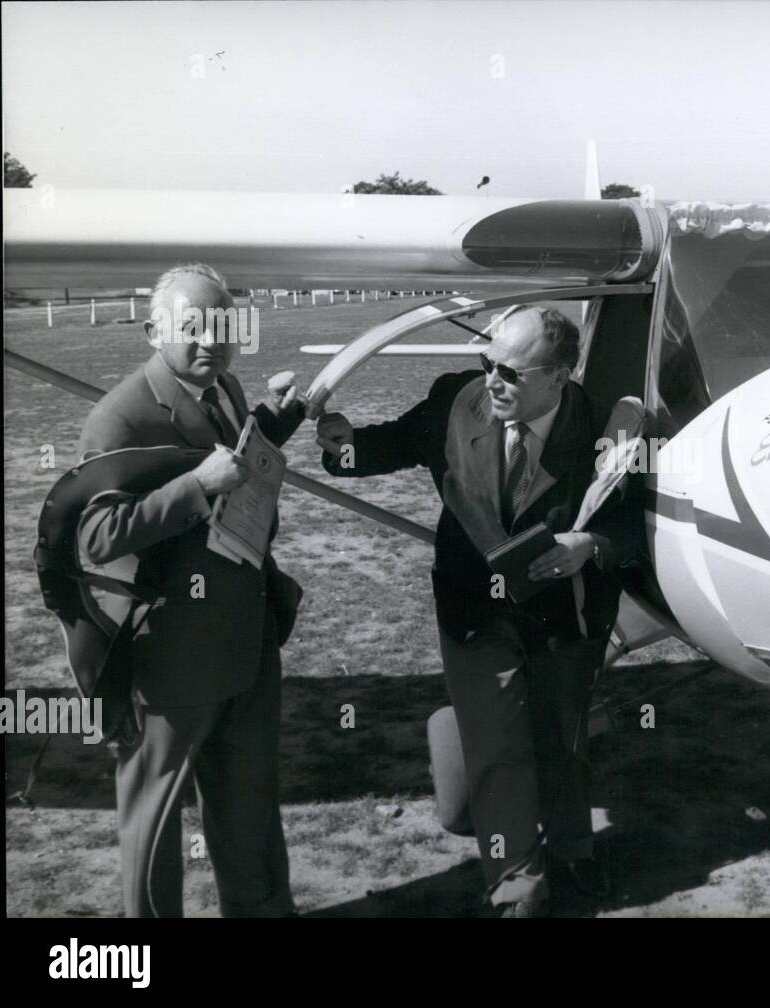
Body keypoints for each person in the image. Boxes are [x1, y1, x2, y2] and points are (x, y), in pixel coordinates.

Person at [316, 306, 639, 917]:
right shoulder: (452, 401)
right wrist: (345, 449)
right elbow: (388, 446)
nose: (493, 380)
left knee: (563, 738)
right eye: (488, 364)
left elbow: (632, 527)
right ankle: (516, 882)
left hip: (564, 615)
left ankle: (574, 852)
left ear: (560, 377)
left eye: (511, 374)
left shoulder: (603, 429)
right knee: (495, 746)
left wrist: (589, 546)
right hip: (474, 607)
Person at [76, 263, 305, 917]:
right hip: (171, 655)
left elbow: (230, 455)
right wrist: (196, 487)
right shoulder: (121, 417)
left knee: (248, 798)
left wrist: (273, 421)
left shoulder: (224, 386)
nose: (210, 342)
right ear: (153, 331)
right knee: (153, 818)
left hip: (245, 636)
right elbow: (95, 536)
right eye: (192, 328)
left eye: (223, 327)